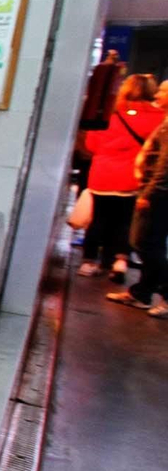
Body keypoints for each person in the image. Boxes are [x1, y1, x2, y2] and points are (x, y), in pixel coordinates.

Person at [79, 74, 162, 277]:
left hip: (103, 175)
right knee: (125, 221)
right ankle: (119, 261)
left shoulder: (110, 113)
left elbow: (91, 144)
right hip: (133, 178)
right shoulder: (159, 117)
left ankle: (89, 262)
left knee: (98, 218)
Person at [110, 115, 168, 316]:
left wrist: (149, 193)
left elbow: (165, 163)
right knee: (150, 244)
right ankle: (142, 293)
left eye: (163, 91)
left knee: (145, 242)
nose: (158, 94)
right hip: (157, 192)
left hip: (159, 194)